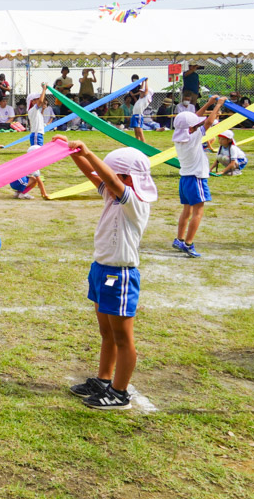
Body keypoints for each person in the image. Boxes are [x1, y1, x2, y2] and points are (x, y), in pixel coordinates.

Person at [53, 139, 156, 410]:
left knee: (123, 337)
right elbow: (92, 173)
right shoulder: (112, 194)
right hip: (100, 269)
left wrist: (88, 151)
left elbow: (107, 178)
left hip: (120, 275)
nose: (103, 179)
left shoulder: (133, 201)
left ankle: (119, 393)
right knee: (106, 332)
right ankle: (103, 380)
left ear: (125, 178)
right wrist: (73, 153)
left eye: (111, 174)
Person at [173, 96, 226, 258]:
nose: (198, 126)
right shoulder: (193, 137)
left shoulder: (180, 137)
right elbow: (207, 123)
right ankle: (188, 244)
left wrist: (208, 103)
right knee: (198, 212)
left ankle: (179, 239)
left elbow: (194, 119)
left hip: (185, 179)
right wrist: (217, 106)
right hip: (196, 179)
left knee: (186, 210)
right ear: (190, 129)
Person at [128, 78, 153, 143]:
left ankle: (143, 142)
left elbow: (146, 90)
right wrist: (142, 82)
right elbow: (142, 89)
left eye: (142, 92)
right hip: (134, 115)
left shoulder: (146, 99)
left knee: (139, 130)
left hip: (138, 115)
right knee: (136, 130)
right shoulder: (140, 98)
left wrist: (146, 82)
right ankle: (137, 142)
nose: (140, 93)